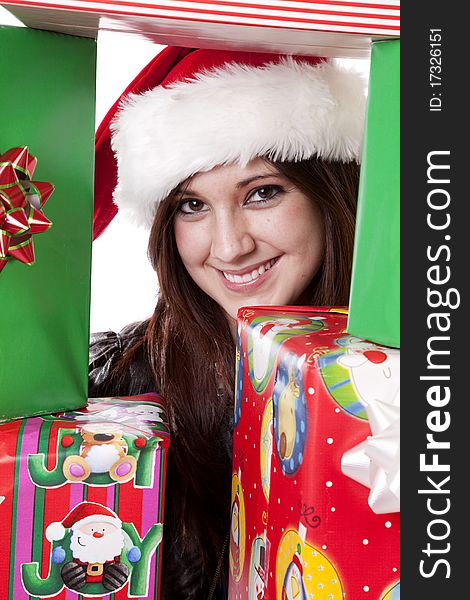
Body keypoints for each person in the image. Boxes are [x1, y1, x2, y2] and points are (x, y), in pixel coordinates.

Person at [89, 46, 366, 599]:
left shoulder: (407, 381)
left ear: (330, 194)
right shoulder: (109, 381)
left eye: (262, 193)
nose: (229, 246)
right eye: (192, 206)